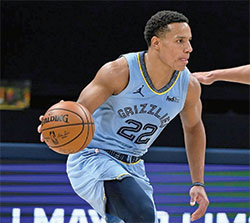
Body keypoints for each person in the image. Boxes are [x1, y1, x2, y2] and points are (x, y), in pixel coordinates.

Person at [38, 10, 209, 223]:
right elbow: (79, 112)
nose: (189, 48)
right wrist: (55, 126)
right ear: (156, 43)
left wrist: (198, 183)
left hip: (134, 165)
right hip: (94, 156)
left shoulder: (188, 86)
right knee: (141, 215)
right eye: (180, 41)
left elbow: (194, 128)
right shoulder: (119, 71)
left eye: (189, 41)